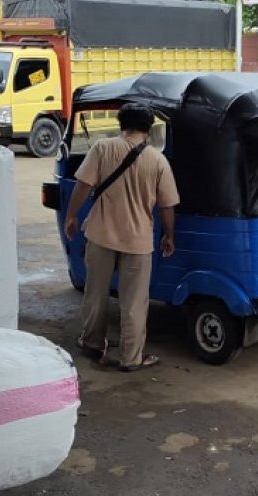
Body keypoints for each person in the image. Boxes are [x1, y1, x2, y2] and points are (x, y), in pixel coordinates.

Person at [64, 103, 179, 371]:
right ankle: (131, 358)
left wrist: (71, 216)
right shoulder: (158, 160)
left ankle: (92, 343)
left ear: (121, 124)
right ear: (149, 129)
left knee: (95, 293)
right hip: (137, 241)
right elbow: (167, 206)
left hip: (101, 235)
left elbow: (83, 185)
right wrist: (169, 236)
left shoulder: (102, 148)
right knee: (134, 302)